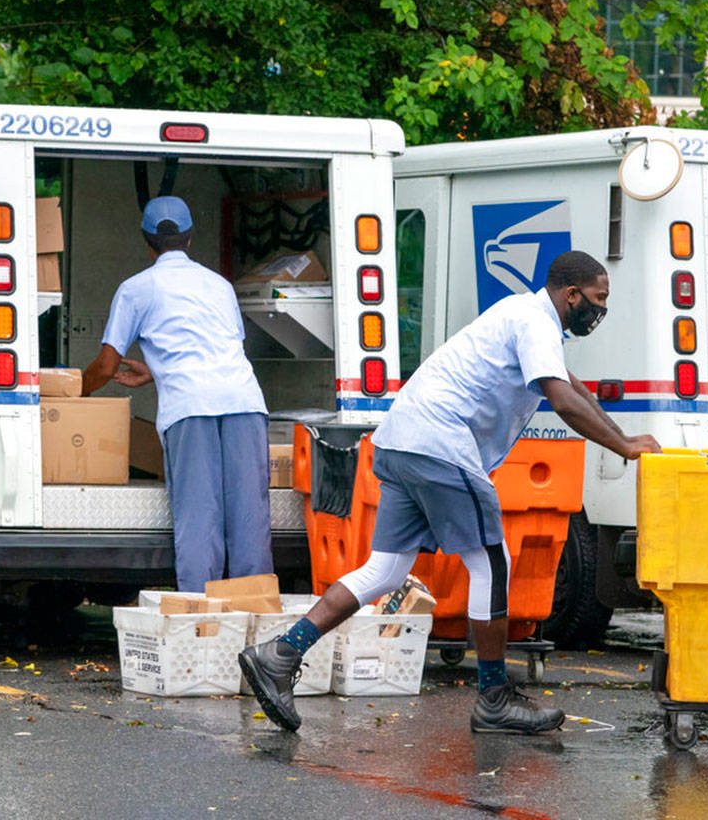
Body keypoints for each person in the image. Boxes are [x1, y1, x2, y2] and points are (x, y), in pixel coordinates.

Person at [239, 250, 661, 735]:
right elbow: (563, 402)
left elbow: (572, 387)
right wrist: (624, 446)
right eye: (598, 298)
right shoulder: (535, 321)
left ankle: (280, 653)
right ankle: (494, 697)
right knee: (491, 561)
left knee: (386, 569)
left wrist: (627, 436)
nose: (600, 309)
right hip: (439, 443)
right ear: (572, 294)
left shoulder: (523, 316)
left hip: (400, 440)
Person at [82, 196, 273, 592]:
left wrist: (68, 396)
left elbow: (104, 366)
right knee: (249, 519)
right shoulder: (219, 285)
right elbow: (219, 349)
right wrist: (157, 371)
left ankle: (201, 624)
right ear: (189, 239)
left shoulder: (137, 289)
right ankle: (253, 620)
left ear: (146, 242)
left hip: (190, 408)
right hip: (244, 402)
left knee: (199, 518)